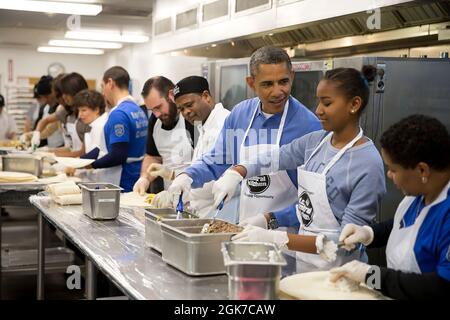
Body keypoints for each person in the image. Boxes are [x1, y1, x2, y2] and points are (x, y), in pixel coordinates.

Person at [216, 66, 386, 272]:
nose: (318, 110)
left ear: (354, 104)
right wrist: (239, 173)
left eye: (327, 103)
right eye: (318, 101)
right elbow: (277, 159)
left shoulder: (367, 163)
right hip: (304, 267)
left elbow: (346, 242)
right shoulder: (316, 142)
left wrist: (277, 238)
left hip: (341, 274)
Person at [167, 46, 321, 225]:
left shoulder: (309, 126)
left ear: (292, 76)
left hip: (287, 239)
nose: (278, 91)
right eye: (267, 84)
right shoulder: (241, 115)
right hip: (245, 230)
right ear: (251, 83)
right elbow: (218, 159)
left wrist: (271, 220)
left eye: (284, 82)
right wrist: (187, 176)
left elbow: (315, 200)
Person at [329, 115, 450, 300]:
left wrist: (372, 276)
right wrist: (368, 233)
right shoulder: (423, 193)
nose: (389, 175)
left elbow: (441, 287)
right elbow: (404, 225)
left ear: (422, 170)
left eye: (393, 169)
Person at [149, 76, 237, 219]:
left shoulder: (222, 125)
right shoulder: (204, 126)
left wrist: (175, 194)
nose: (186, 112)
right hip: (205, 212)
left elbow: (213, 181)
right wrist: (174, 175)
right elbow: (201, 167)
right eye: (181, 109)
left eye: (189, 105)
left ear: (206, 96)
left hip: (222, 214)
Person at [87, 66, 148, 192]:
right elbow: (106, 147)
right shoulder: (137, 110)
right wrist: (81, 160)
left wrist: (91, 165)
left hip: (122, 179)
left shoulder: (119, 114)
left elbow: (118, 155)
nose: (103, 93)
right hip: (136, 174)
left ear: (110, 83)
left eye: (102, 87)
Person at [133, 76, 195, 194]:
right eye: (152, 110)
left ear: (171, 96)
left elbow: (205, 164)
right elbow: (153, 156)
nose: (156, 114)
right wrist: (144, 178)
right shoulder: (155, 120)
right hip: (170, 197)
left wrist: (173, 175)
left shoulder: (191, 119)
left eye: (158, 107)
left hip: (196, 196)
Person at [64, 90, 117, 183]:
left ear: (96, 110)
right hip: (96, 175)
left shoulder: (101, 126)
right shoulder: (95, 124)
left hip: (104, 178)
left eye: (83, 110)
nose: (80, 115)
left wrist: (77, 163)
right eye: (79, 111)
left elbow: (98, 151)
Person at [21, 75, 64, 148]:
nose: (45, 101)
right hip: (57, 148)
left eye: (47, 96)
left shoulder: (62, 108)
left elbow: (48, 125)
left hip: (64, 148)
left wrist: (32, 135)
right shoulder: (51, 107)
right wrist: (32, 135)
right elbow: (48, 126)